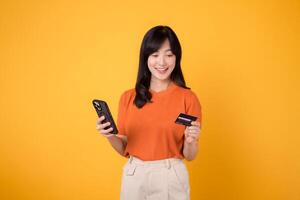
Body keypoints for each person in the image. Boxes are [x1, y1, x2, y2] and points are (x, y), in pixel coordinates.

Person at [96, 25, 202, 200]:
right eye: (155, 55)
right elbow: (123, 148)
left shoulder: (188, 98)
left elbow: (190, 155)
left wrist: (191, 141)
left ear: (176, 58)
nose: (162, 62)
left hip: (170, 175)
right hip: (134, 175)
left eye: (169, 55)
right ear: (145, 57)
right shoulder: (128, 97)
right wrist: (109, 135)